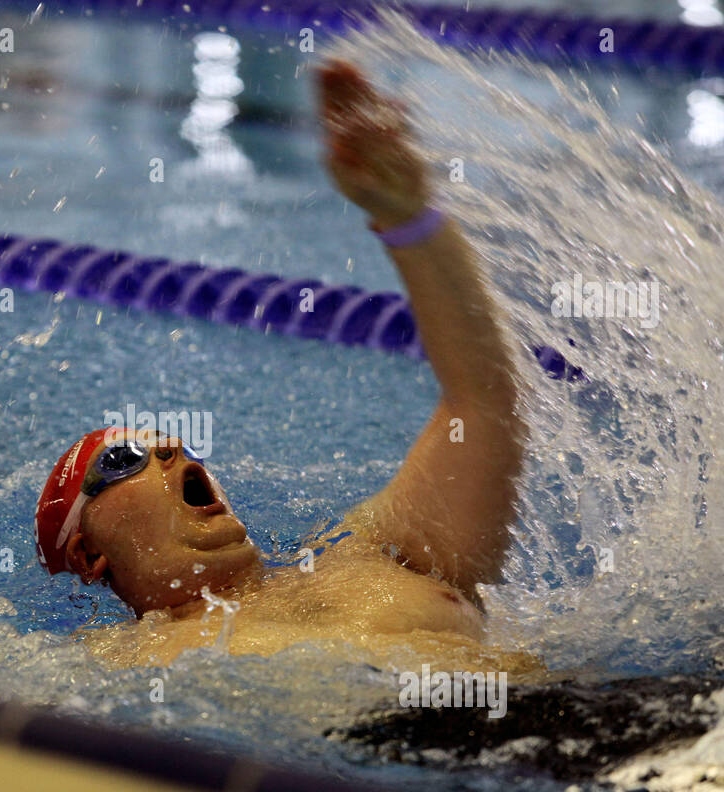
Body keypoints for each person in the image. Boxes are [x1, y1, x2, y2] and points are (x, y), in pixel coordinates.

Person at [34, 60, 537, 674]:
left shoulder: (369, 552)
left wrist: (409, 220)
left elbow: (482, 401)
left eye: (169, 444)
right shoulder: (119, 660)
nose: (173, 454)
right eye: (122, 462)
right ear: (88, 556)